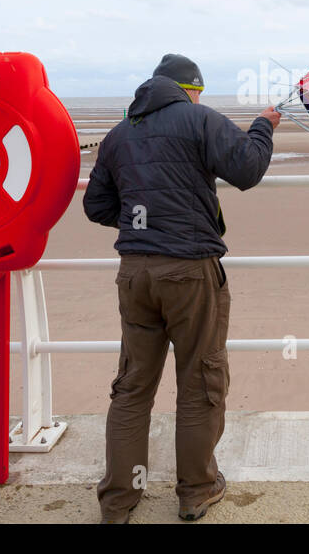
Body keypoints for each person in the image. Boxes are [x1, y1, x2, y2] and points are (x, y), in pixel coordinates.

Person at [82, 53, 280, 522]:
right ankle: (196, 490)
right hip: (190, 271)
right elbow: (248, 170)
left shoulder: (119, 134)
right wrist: (263, 126)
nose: (199, 97)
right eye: (200, 91)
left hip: (135, 273)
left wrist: (140, 222)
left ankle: (119, 500)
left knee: (132, 386)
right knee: (200, 379)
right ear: (189, 89)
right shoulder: (199, 119)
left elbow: (96, 205)